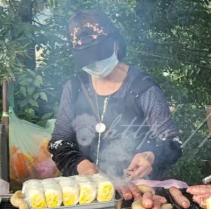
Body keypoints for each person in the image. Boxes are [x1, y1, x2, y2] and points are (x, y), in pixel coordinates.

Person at [49, 10, 182, 180]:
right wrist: (79, 164)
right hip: (87, 187)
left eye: (98, 56)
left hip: (137, 187)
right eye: (87, 60)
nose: (94, 64)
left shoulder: (143, 88)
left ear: (116, 45)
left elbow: (172, 142)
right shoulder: (74, 88)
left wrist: (150, 157)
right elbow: (59, 141)